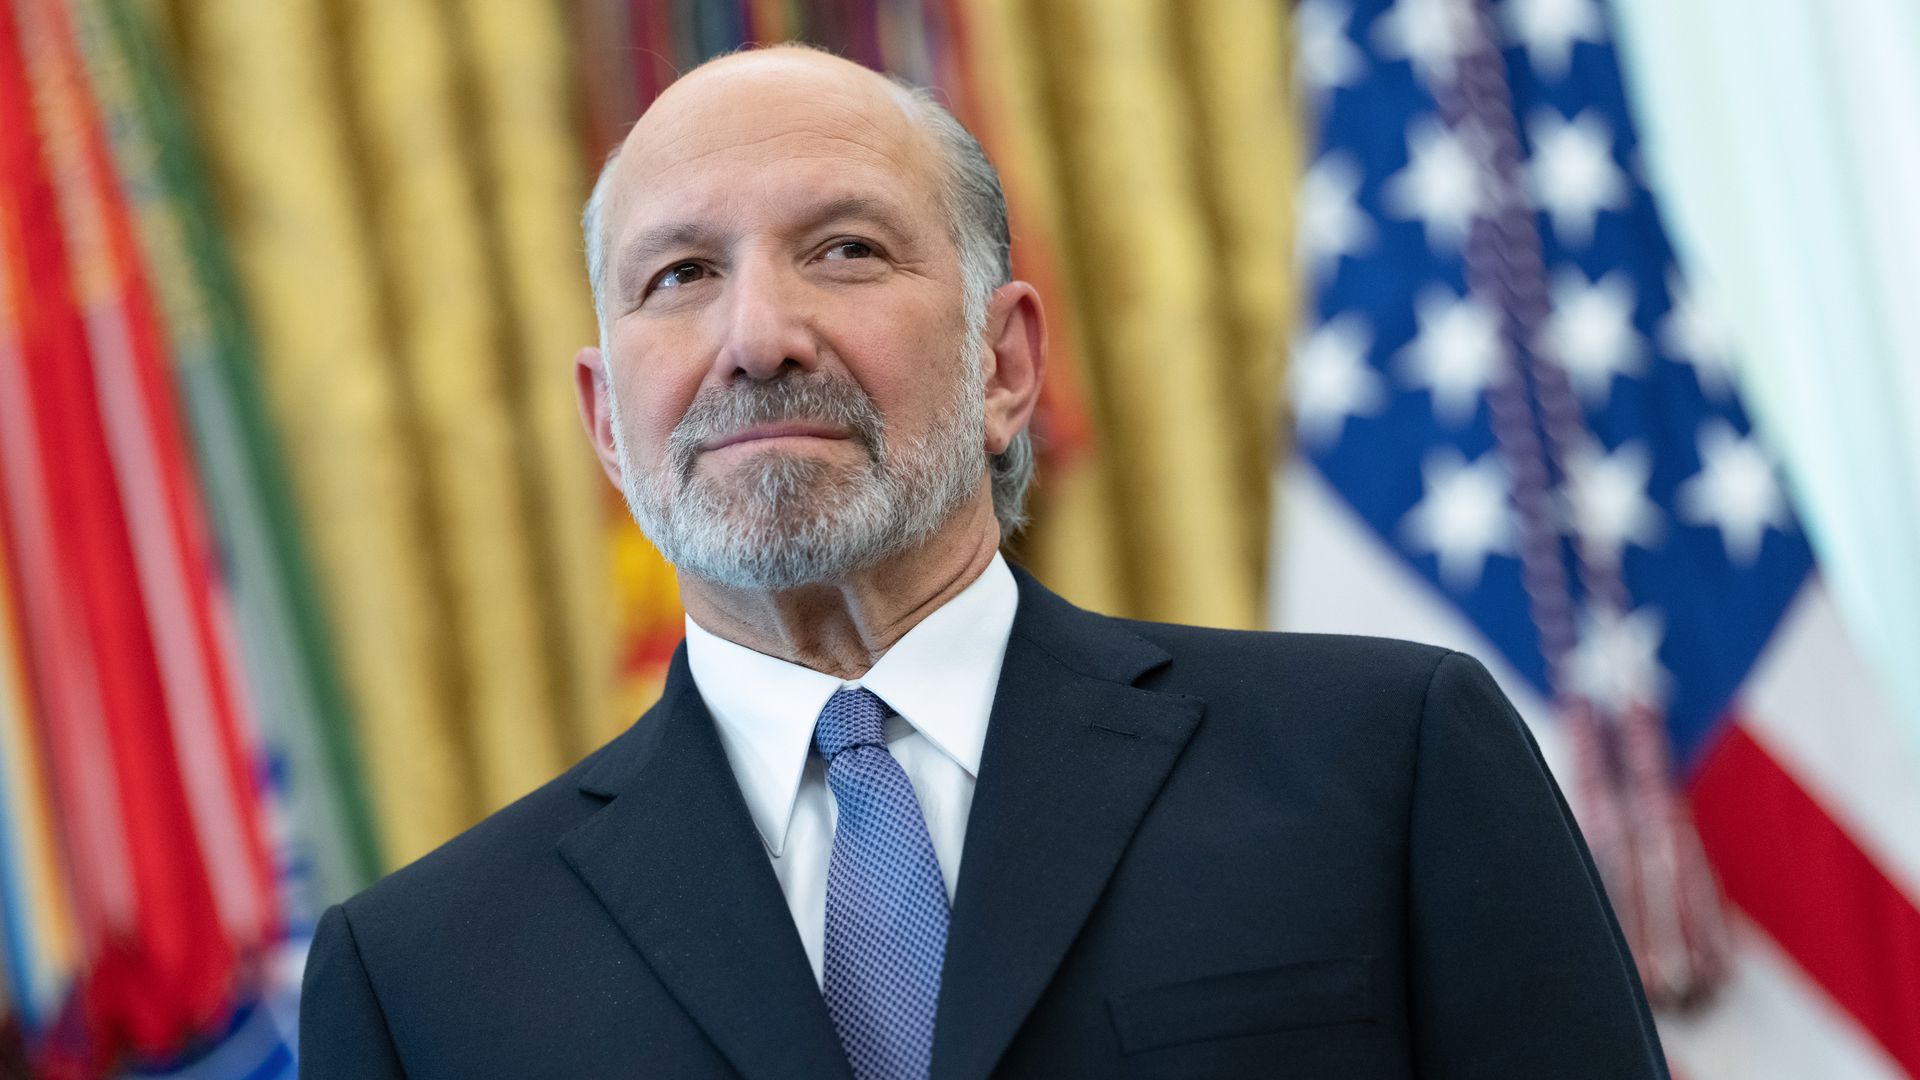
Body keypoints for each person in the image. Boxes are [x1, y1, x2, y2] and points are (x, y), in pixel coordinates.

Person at [299, 45, 1668, 1080]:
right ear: (607, 423)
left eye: (844, 250)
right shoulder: (419, 977)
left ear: (1004, 363)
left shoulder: (1389, 761)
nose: (760, 334)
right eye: (679, 277)